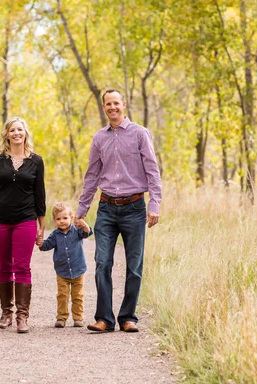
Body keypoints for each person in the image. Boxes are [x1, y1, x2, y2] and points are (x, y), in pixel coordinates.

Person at [75, 88, 162, 333]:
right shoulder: (99, 138)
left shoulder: (140, 134)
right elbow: (91, 176)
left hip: (134, 208)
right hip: (106, 208)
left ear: (123, 104)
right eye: (107, 104)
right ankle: (104, 318)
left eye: (116, 103)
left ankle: (128, 317)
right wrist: (81, 210)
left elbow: (153, 172)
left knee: (134, 265)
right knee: (102, 262)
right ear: (104, 108)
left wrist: (154, 205)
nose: (112, 107)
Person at [0, 117, 46, 334]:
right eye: (12, 130)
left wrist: (41, 226)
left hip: (25, 220)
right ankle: (6, 313)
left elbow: (40, 196)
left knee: (22, 267)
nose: (16, 133)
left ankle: (22, 317)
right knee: (3, 266)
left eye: (20, 129)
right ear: (7, 134)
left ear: (25, 133)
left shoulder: (36, 161)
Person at [37, 202, 92, 328]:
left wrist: (84, 225)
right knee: (62, 295)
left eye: (65, 218)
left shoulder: (77, 231)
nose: (62, 221)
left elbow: (87, 233)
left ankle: (78, 318)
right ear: (55, 220)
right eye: (58, 219)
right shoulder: (55, 235)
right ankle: (61, 317)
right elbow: (46, 246)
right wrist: (40, 243)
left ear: (71, 218)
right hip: (62, 272)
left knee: (78, 296)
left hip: (78, 269)